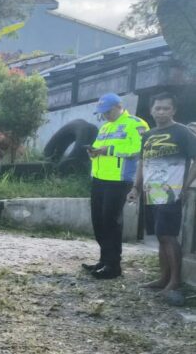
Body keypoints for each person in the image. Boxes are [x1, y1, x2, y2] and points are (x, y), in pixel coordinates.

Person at [127, 92, 196, 306]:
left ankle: (174, 281)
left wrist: (185, 186)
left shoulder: (183, 133)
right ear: (151, 110)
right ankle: (163, 277)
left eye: (166, 108)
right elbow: (142, 164)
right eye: (158, 108)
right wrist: (135, 188)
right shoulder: (148, 136)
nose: (161, 112)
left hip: (171, 193)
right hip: (151, 193)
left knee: (168, 235)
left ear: (174, 110)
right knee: (159, 236)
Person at [84, 93, 148, 279]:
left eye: (108, 111)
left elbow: (138, 149)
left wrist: (107, 150)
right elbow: (98, 148)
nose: (105, 115)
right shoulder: (105, 127)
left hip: (120, 180)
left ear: (120, 106)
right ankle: (104, 260)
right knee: (98, 220)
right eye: (102, 112)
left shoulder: (136, 124)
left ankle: (113, 266)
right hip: (99, 178)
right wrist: (93, 153)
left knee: (111, 221)